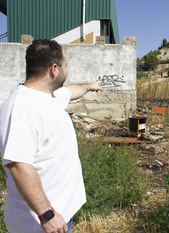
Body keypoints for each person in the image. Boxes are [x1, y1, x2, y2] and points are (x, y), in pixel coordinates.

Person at [0, 39, 102, 233]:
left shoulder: (50, 96)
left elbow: (71, 90)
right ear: (54, 69)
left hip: (60, 216)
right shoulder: (20, 107)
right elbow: (18, 166)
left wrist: (89, 86)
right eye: (65, 66)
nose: (66, 70)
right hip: (39, 224)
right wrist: (47, 214)